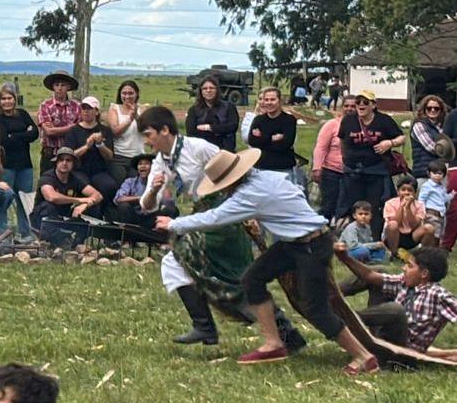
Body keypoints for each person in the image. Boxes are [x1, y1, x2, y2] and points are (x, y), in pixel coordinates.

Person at [153, 148, 379, 372]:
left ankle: (363, 357)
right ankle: (273, 343)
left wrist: (173, 224)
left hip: (311, 246)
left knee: (317, 309)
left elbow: (216, 218)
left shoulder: (249, 195)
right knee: (253, 279)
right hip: (294, 243)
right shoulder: (267, 176)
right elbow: (295, 193)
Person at [334, 244, 457, 357]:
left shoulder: (439, 296)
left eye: (410, 266)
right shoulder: (405, 283)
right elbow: (370, 275)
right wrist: (346, 258)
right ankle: (328, 297)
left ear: (424, 274)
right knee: (379, 271)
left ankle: (342, 318)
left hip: (401, 352)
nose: (404, 268)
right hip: (380, 338)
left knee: (396, 310)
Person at [337, 91, 404, 238]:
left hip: (376, 171)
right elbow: (342, 139)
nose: (361, 105)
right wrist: (345, 158)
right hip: (353, 171)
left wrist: (390, 143)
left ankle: (374, 238)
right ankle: (353, 239)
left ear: (373, 105)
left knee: (374, 207)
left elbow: (402, 137)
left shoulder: (384, 120)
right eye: (358, 102)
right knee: (354, 206)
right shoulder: (348, 121)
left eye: (365, 102)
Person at [0, 85, 38, 238]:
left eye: (10, 98)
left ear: (15, 100)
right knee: (6, 198)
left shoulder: (22, 114)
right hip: (7, 165)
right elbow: (3, 140)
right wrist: (24, 133)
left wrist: (14, 136)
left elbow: (35, 133)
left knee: (24, 200)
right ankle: (1, 230)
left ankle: (25, 232)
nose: (7, 102)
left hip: (25, 165)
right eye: (3, 99)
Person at [32, 151, 101, 246]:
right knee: (48, 206)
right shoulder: (47, 177)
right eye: (61, 160)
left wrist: (85, 205)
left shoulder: (75, 179)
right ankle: (57, 241)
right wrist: (79, 200)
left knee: (93, 206)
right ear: (56, 162)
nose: (64, 163)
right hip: (42, 218)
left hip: (64, 216)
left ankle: (77, 242)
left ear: (73, 164)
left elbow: (98, 195)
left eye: (68, 160)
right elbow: (51, 197)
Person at [61, 96, 118, 206]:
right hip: (79, 170)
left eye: (89, 109)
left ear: (96, 112)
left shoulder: (104, 130)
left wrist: (100, 145)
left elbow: (110, 156)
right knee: (83, 187)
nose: (86, 111)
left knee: (109, 186)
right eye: (83, 108)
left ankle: (105, 214)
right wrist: (86, 146)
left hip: (99, 171)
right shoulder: (74, 131)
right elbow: (69, 155)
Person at [246, 87, 299, 180]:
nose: (269, 103)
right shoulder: (258, 120)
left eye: (273, 99)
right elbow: (252, 141)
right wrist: (271, 138)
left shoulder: (289, 120)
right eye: (266, 100)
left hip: (283, 168)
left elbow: (285, 144)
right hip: (261, 167)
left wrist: (262, 139)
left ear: (280, 101)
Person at [34, 72, 82, 173]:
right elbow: (49, 132)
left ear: (68, 87)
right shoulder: (45, 105)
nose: (59, 88)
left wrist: (56, 129)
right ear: (53, 87)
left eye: (63, 85)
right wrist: (72, 127)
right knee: (46, 183)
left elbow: (80, 130)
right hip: (50, 152)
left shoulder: (77, 106)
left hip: (70, 152)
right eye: (57, 85)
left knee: (70, 184)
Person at [313, 99, 348, 220]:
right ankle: (322, 233)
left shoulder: (362, 126)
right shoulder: (332, 125)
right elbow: (321, 147)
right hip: (331, 171)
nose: (350, 108)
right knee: (329, 205)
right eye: (346, 105)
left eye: (353, 106)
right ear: (342, 107)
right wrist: (317, 168)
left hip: (352, 173)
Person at [185, 75, 239, 151]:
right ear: (201, 91)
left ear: (217, 90)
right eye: (205, 88)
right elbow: (191, 132)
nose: (208, 90)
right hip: (201, 152)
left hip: (225, 151)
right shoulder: (193, 110)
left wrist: (209, 127)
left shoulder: (229, 107)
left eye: (211, 88)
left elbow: (232, 127)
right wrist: (219, 131)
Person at [382, 178, 432, 254]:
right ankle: (394, 253)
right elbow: (395, 222)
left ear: (415, 193)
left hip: (411, 235)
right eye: (403, 190)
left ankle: (423, 254)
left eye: (410, 190)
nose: (406, 193)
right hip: (394, 236)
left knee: (429, 228)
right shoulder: (390, 203)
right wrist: (402, 206)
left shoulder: (419, 205)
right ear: (398, 191)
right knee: (393, 224)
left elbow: (414, 225)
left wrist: (408, 207)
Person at [409, 94, 452, 179]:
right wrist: (450, 152)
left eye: (436, 108)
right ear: (424, 109)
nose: (433, 110)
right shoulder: (419, 125)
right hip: (424, 173)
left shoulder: (443, 126)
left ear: (441, 110)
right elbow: (432, 148)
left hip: (442, 172)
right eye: (429, 108)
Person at [108, 79, 146, 164]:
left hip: (138, 155)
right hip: (119, 156)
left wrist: (136, 116)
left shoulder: (142, 109)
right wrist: (130, 119)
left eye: (130, 93)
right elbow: (115, 131)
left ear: (137, 94)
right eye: (124, 93)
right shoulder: (114, 109)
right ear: (120, 94)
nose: (127, 96)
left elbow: (145, 130)